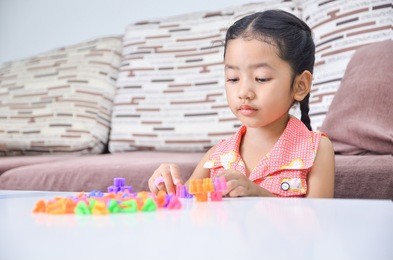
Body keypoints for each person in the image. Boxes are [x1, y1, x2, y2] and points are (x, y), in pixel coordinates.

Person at [148, 10, 335, 198]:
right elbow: (183, 205)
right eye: (233, 78)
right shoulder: (218, 155)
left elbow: (317, 218)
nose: (244, 92)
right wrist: (167, 185)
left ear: (300, 85)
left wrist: (258, 194)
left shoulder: (317, 149)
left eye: (261, 78)